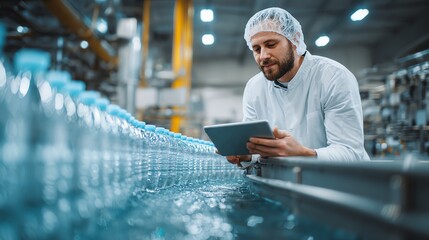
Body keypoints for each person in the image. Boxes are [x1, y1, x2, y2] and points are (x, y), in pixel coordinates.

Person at [227, 7, 370, 167]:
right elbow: (255, 148)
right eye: (256, 49)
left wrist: (303, 153)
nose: (263, 56)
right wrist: (245, 156)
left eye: (271, 44)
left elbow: (350, 153)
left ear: (294, 40)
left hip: (339, 185)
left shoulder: (333, 77)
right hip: (286, 185)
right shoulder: (255, 88)